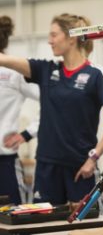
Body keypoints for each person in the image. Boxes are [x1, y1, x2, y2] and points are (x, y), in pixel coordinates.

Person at [0, 13, 103, 206]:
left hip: (81, 168)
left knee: (86, 228)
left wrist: (94, 158)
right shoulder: (45, 70)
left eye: (54, 35)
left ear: (72, 38)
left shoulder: (97, 74)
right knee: (43, 226)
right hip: (46, 168)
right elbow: (5, 60)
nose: (49, 41)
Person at [0, 15, 40, 205]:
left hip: (5, 164)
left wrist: (26, 134)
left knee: (15, 223)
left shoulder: (14, 73)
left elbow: (53, 101)